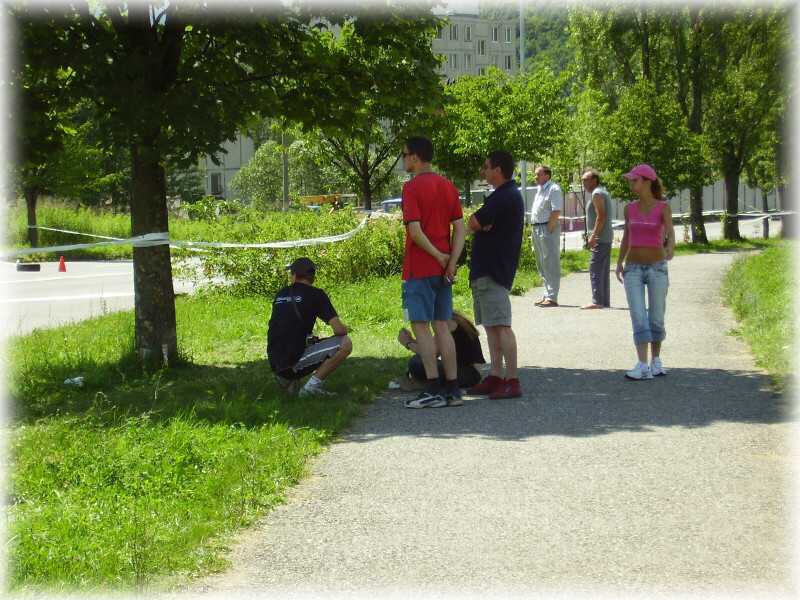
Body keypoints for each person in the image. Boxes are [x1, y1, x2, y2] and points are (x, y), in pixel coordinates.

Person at [400, 136, 467, 409]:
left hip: (419, 268)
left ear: (415, 157)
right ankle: (453, 388)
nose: (403, 160)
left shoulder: (411, 188)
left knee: (420, 326)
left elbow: (415, 231)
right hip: (443, 271)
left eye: (404, 155)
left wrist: (438, 256)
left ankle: (432, 388)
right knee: (442, 326)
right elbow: (460, 228)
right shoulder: (448, 185)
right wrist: (451, 261)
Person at [466, 150, 525, 399]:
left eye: (486, 167)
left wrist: (481, 225)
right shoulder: (502, 196)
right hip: (485, 271)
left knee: (501, 326)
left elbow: (473, 222)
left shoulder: (504, 196)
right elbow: (480, 223)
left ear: (498, 170)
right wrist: (483, 225)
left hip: (494, 271)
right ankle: (495, 375)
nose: (483, 171)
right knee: (491, 326)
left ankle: (512, 379)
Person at [615, 164, 676, 380]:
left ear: (647, 181)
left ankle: (656, 361)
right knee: (638, 315)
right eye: (630, 180)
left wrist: (670, 247)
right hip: (633, 268)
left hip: (657, 268)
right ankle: (642, 365)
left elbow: (670, 232)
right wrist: (619, 261)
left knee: (656, 317)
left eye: (635, 180)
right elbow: (627, 236)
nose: (631, 183)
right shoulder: (629, 208)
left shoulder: (663, 207)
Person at [267, 257, 353, 396]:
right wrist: (346, 328)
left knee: (298, 340)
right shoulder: (316, 295)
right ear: (312, 277)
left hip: (274, 361)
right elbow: (339, 330)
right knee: (345, 343)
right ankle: (311, 388)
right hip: (293, 362)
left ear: (294, 275)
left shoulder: (281, 294)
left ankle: (289, 385)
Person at [396, 311, 485, 391]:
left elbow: (432, 353)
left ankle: (423, 384)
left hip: (467, 374)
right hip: (470, 373)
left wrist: (407, 343)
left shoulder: (444, 322)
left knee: (416, 362)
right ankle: (423, 383)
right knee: (420, 361)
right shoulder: (449, 317)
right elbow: (431, 347)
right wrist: (411, 340)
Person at [581, 169, 614, 309]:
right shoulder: (602, 191)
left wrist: (593, 236)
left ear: (594, 180)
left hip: (600, 239)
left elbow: (601, 216)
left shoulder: (597, 193)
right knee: (603, 270)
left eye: (585, 180)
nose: (583, 183)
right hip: (606, 237)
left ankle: (597, 301)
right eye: (582, 180)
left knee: (595, 268)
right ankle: (604, 301)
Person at [530, 165, 562, 307]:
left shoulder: (553, 189)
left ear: (547, 176)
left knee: (550, 263)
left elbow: (556, 210)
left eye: (538, 174)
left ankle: (552, 297)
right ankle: (547, 294)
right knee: (542, 263)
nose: (535, 177)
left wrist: (549, 228)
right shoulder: (540, 189)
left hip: (547, 228)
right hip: (537, 228)